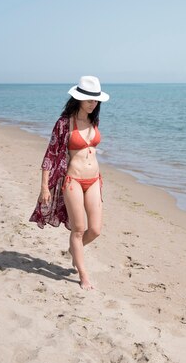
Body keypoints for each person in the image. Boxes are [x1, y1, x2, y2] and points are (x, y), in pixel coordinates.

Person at [30, 76, 110, 290]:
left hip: (94, 180)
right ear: (79, 99)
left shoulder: (94, 120)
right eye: (89, 100)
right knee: (79, 228)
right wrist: (44, 186)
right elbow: (51, 153)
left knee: (94, 229)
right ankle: (84, 275)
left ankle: (75, 249)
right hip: (73, 180)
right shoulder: (64, 123)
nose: (93, 104)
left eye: (96, 100)